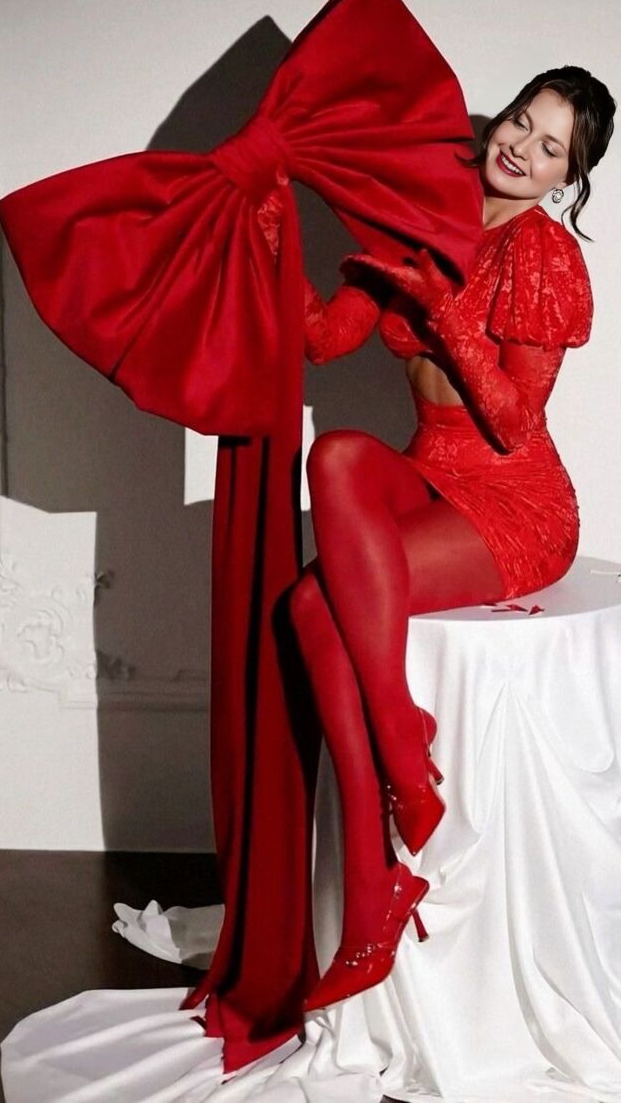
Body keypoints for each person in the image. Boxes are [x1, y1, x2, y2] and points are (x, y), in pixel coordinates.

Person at [257, 65, 616, 1014]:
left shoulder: (544, 255)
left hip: (515, 502)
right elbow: (325, 338)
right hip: (430, 471)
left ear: (567, 178)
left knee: (313, 607)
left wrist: (445, 308)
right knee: (336, 452)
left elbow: (513, 420)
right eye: (522, 122)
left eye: (552, 148)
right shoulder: (424, 214)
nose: (523, 148)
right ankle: (400, 778)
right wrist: (276, 228)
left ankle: (380, 872)